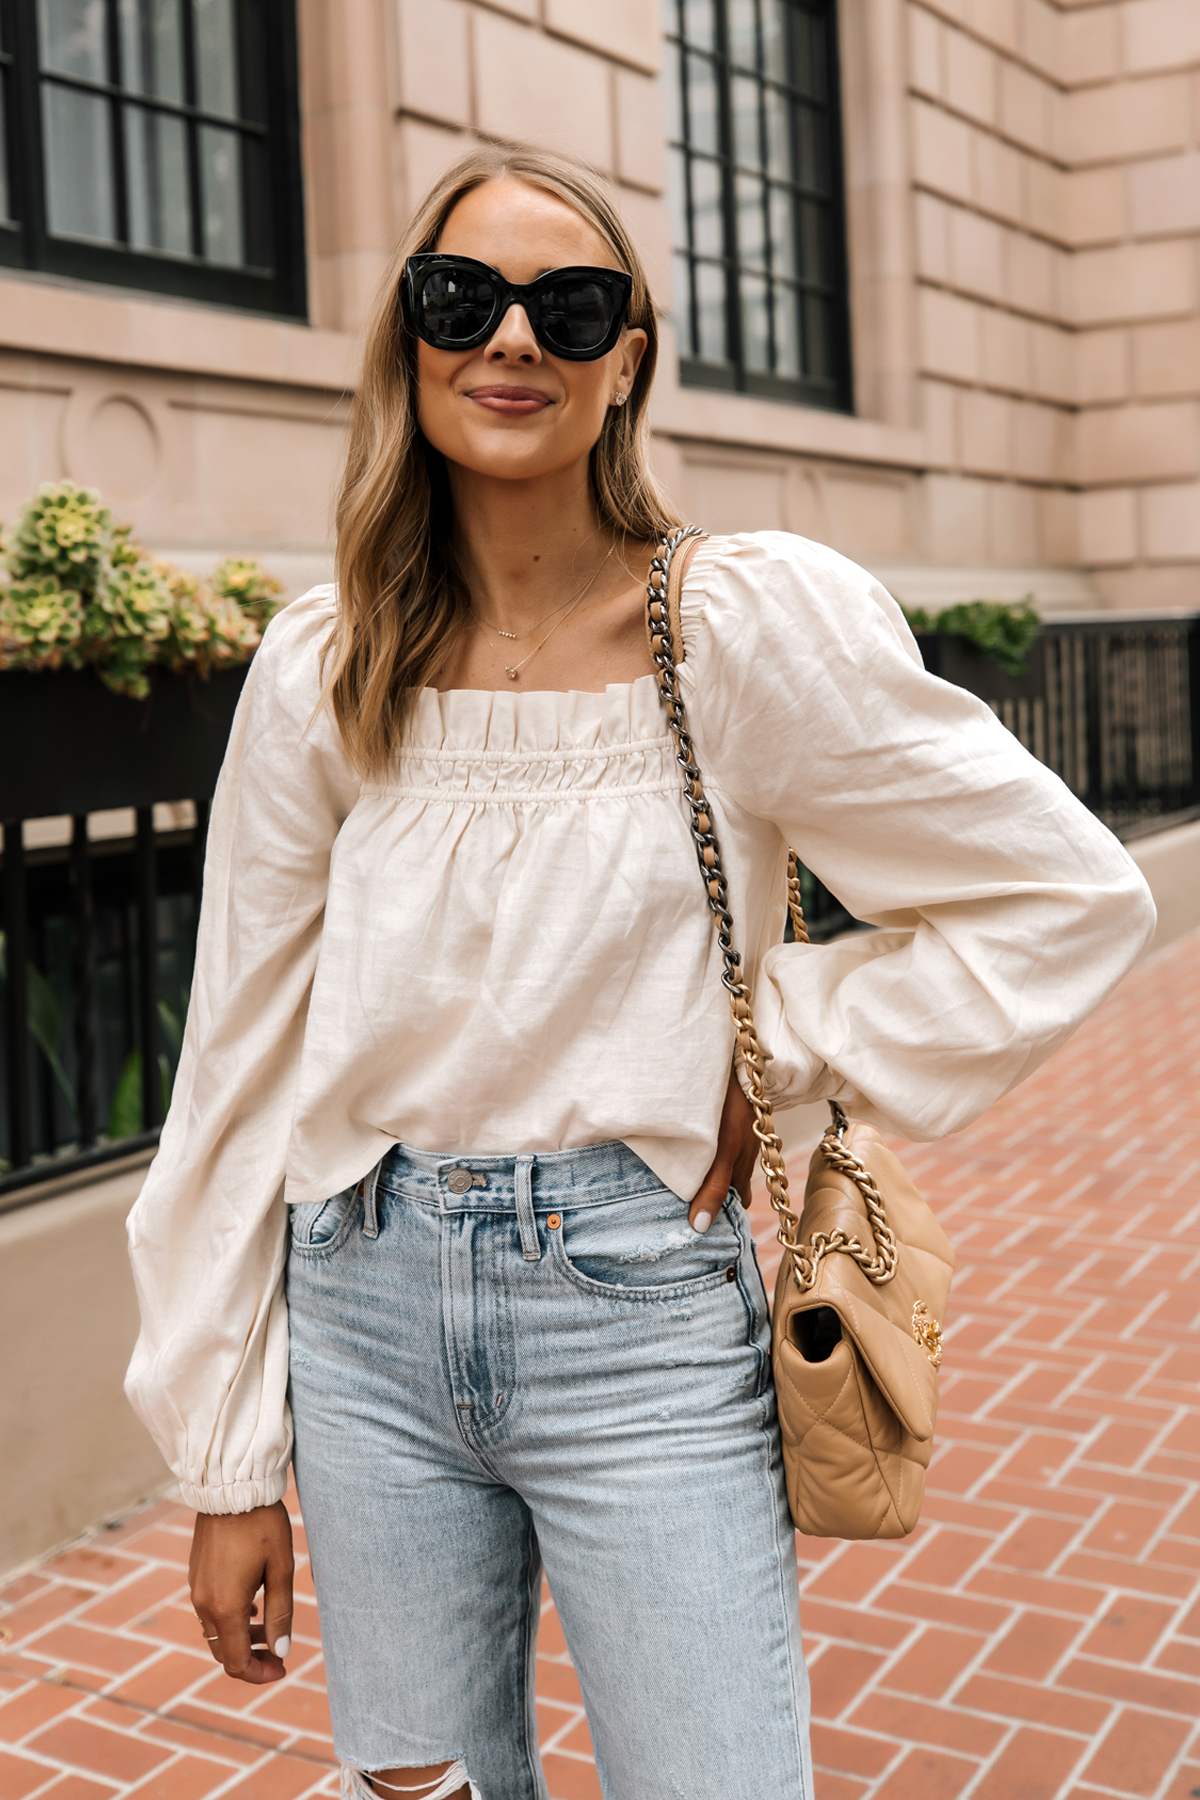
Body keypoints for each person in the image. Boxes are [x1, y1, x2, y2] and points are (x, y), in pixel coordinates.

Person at [125, 146, 1155, 1800]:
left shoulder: (739, 630)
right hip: (363, 1309)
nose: (511, 339)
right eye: (462, 298)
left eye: (571, 305)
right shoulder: (328, 667)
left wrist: (779, 1044)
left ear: (628, 363)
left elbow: (1063, 897)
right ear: (408, 338)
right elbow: (237, 1060)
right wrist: (228, 1455)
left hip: (638, 1313)